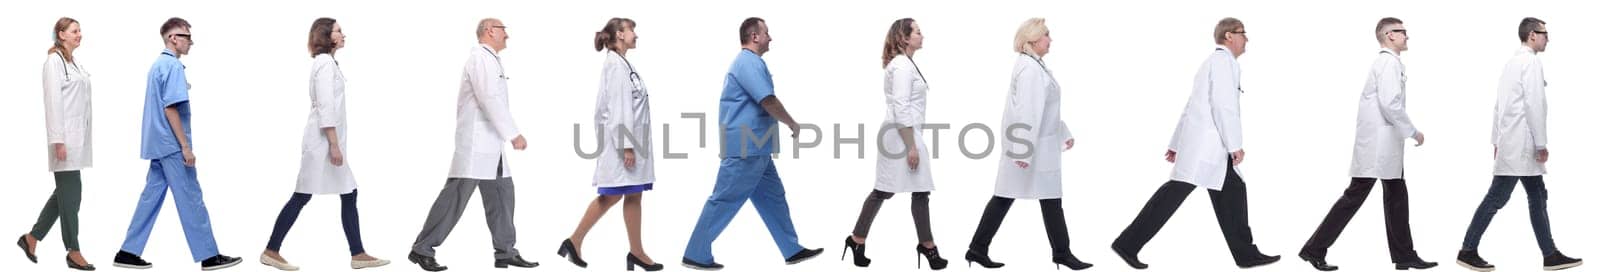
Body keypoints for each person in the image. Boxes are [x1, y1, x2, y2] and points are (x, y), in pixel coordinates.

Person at [1109, 17, 1279, 270]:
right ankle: (1127, 244)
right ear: (1229, 36)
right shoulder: (1224, 63)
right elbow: (1224, 106)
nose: (1247, 39)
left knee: (1231, 192)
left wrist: (1176, 142)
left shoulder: (1213, 62)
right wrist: (1235, 145)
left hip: (1205, 148)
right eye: (1243, 33)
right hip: (1209, 148)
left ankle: (1246, 255)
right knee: (1172, 196)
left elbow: (1193, 105)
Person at [680, 17, 823, 271]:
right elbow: (767, 100)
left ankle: (791, 249)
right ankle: (696, 253)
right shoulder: (747, 62)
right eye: (767, 33)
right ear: (754, 37)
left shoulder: (752, 63)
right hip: (746, 149)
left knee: (774, 198)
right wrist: (792, 123)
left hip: (759, 149)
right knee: (724, 199)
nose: (771, 37)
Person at [1295, 17, 1437, 272]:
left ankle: (1405, 255)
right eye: (1402, 31)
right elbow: (1390, 103)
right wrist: (1414, 132)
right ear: (1389, 35)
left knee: (1396, 197)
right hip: (1378, 148)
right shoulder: (1387, 63)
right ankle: (1314, 249)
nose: (1407, 35)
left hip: (1384, 147)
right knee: (1355, 197)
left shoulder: (1390, 63)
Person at [257, 17, 390, 271]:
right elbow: (326, 107)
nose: (343, 34)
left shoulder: (327, 63)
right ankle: (272, 250)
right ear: (327, 36)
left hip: (325, 142)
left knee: (347, 193)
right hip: (322, 144)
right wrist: (334, 144)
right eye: (339, 31)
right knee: (303, 195)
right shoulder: (325, 64)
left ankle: (358, 253)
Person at [112, 17, 244, 271]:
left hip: (157, 144)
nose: (190, 42)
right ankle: (209, 256)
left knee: (150, 197)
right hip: (172, 145)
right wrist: (185, 146)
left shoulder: (157, 65)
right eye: (186, 37)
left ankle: (127, 252)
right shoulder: (171, 66)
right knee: (191, 197)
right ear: (173, 38)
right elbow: (170, 107)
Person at [406, 18, 537, 272]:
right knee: (453, 200)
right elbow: (488, 98)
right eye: (503, 29)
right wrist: (513, 134)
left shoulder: (491, 59)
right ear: (490, 31)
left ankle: (506, 252)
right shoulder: (480, 58)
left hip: (492, 147)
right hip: (476, 145)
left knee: (503, 196)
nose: (507, 35)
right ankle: (421, 249)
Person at [961, 17, 1091, 271]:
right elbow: (1027, 112)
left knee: (1048, 200)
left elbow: (1046, 110)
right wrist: (1022, 149)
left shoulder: (1036, 66)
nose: (1050, 39)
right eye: (1046, 35)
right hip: (1029, 149)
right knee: (1006, 198)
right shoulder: (1030, 69)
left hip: (1038, 147)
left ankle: (1060, 253)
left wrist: (1063, 133)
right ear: (1032, 39)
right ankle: (978, 249)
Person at [1455, 17, 1582, 272]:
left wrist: (1495, 139)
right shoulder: (1531, 62)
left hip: (1511, 142)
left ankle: (1550, 254)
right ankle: (1467, 250)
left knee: (1537, 195)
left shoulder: (1511, 63)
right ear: (1531, 35)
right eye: (1544, 33)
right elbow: (1534, 106)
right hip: (1522, 144)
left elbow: (1498, 105)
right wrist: (1541, 144)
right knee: (1497, 198)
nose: (1548, 38)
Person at [554, 17, 663, 272]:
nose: (635, 34)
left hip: (634, 142)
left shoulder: (624, 64)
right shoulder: (615, 66)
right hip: (623, 144)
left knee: (633, 195)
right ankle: (574, 240)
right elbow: (617, 108)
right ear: (620, 35)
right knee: (610, 195)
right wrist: (626, 145)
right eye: (631, 30)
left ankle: (636, 252)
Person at [840, 17, 948, 270]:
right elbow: (901, 107)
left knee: (918, 190)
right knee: (885, 189)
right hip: (901, 136)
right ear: (904, 38)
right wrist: (911, 145)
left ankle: (924, 245)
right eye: (918, 32)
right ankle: (859, 239)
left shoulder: (907, 64)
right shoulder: (901, 66)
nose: (923, 35)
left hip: (906, 133)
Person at [18, 16, 96, 271]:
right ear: (61, 34)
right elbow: (52, 103)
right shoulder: (54, 63)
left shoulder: (74, 63)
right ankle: (73, 251)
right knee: (72, 196)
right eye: (74, 31)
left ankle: (31, 238)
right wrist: (57, 140)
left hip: (77, 140)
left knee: (64, 195)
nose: (79, 34)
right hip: (64, 141)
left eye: (80, 30)